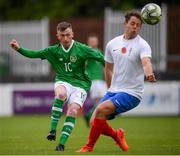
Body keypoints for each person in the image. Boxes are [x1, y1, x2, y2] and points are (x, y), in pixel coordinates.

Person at [9, 21, 104, 151]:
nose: (65, 38)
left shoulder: (82, 49)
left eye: (68, 35)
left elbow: (102, 58)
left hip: (81, 85)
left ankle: (61, 144)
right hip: (63, 80)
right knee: (60, 94)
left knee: (73, 111)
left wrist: (116, 68)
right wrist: (19, 49)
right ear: (58, 36)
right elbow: (34, 54)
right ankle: (53, 130)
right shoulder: (53, 50)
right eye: (62, 35)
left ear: (72, 34)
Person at [77, 10, 156, 153]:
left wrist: (149, 73)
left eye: (138, 25)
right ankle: (117, 135)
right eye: (132, 23)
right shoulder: (112, 44)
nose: (135, 27)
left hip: (132, 93)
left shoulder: (143, 45)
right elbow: (107, 69)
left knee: (100, 110)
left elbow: (146, 62)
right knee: (93, 121)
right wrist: (109, 89)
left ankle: (89, 147)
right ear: (125, 23)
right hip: (114, 90)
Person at [84, 35, 107, 126]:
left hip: (101, 81)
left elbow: (105, 67)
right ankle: (93, 118)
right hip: (93, 81)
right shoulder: (87, 52)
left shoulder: (100, 52)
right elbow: (83, 65)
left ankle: (89, 115)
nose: (93, 42)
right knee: (101, 101)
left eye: (95, 41)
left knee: (102, 102)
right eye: (91, 41)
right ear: (88, 42)